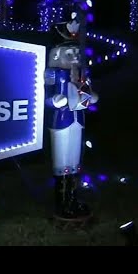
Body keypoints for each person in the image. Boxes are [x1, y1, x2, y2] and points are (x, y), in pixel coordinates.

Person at [44, 20, 98, 221]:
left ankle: (73, 199)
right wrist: (53, 100)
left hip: (78, 119)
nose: (75, 57)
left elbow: (88, 93)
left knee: (75, 162)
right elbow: (46, 96)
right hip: (61, 120)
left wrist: (91, 97)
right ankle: (61, 202)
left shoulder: (82, 75)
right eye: (70, 53)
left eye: (77, 53)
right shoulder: (53, 73)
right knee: (62, 163)